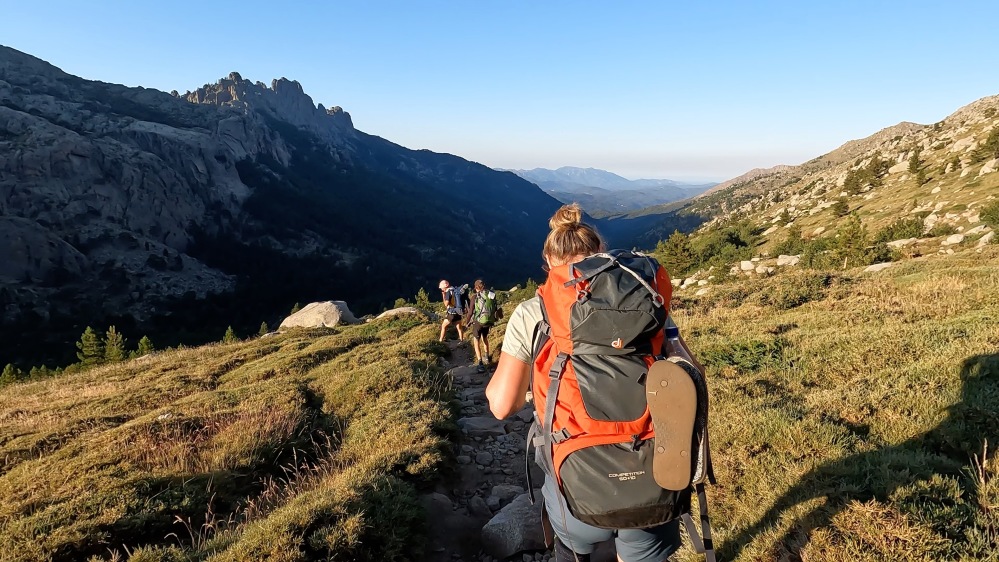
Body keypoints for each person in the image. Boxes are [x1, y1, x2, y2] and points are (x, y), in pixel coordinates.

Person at [486, 203, 686, 562]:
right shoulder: (645, 297)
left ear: (548, 264)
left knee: (575, 550)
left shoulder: (533, 312)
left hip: (574, 479)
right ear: (604, 257)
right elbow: (690, 377)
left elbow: (502, 406)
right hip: (654, 472)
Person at [464, 279, 495, 373]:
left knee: (476, 340)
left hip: (478, 322)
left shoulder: (475, 297)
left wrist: (467, 322)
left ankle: (480, 363)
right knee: (485, 338)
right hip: (489, 321)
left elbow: (470, 313)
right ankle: (487, 356)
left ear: (476, 287)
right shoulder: (491, 294)